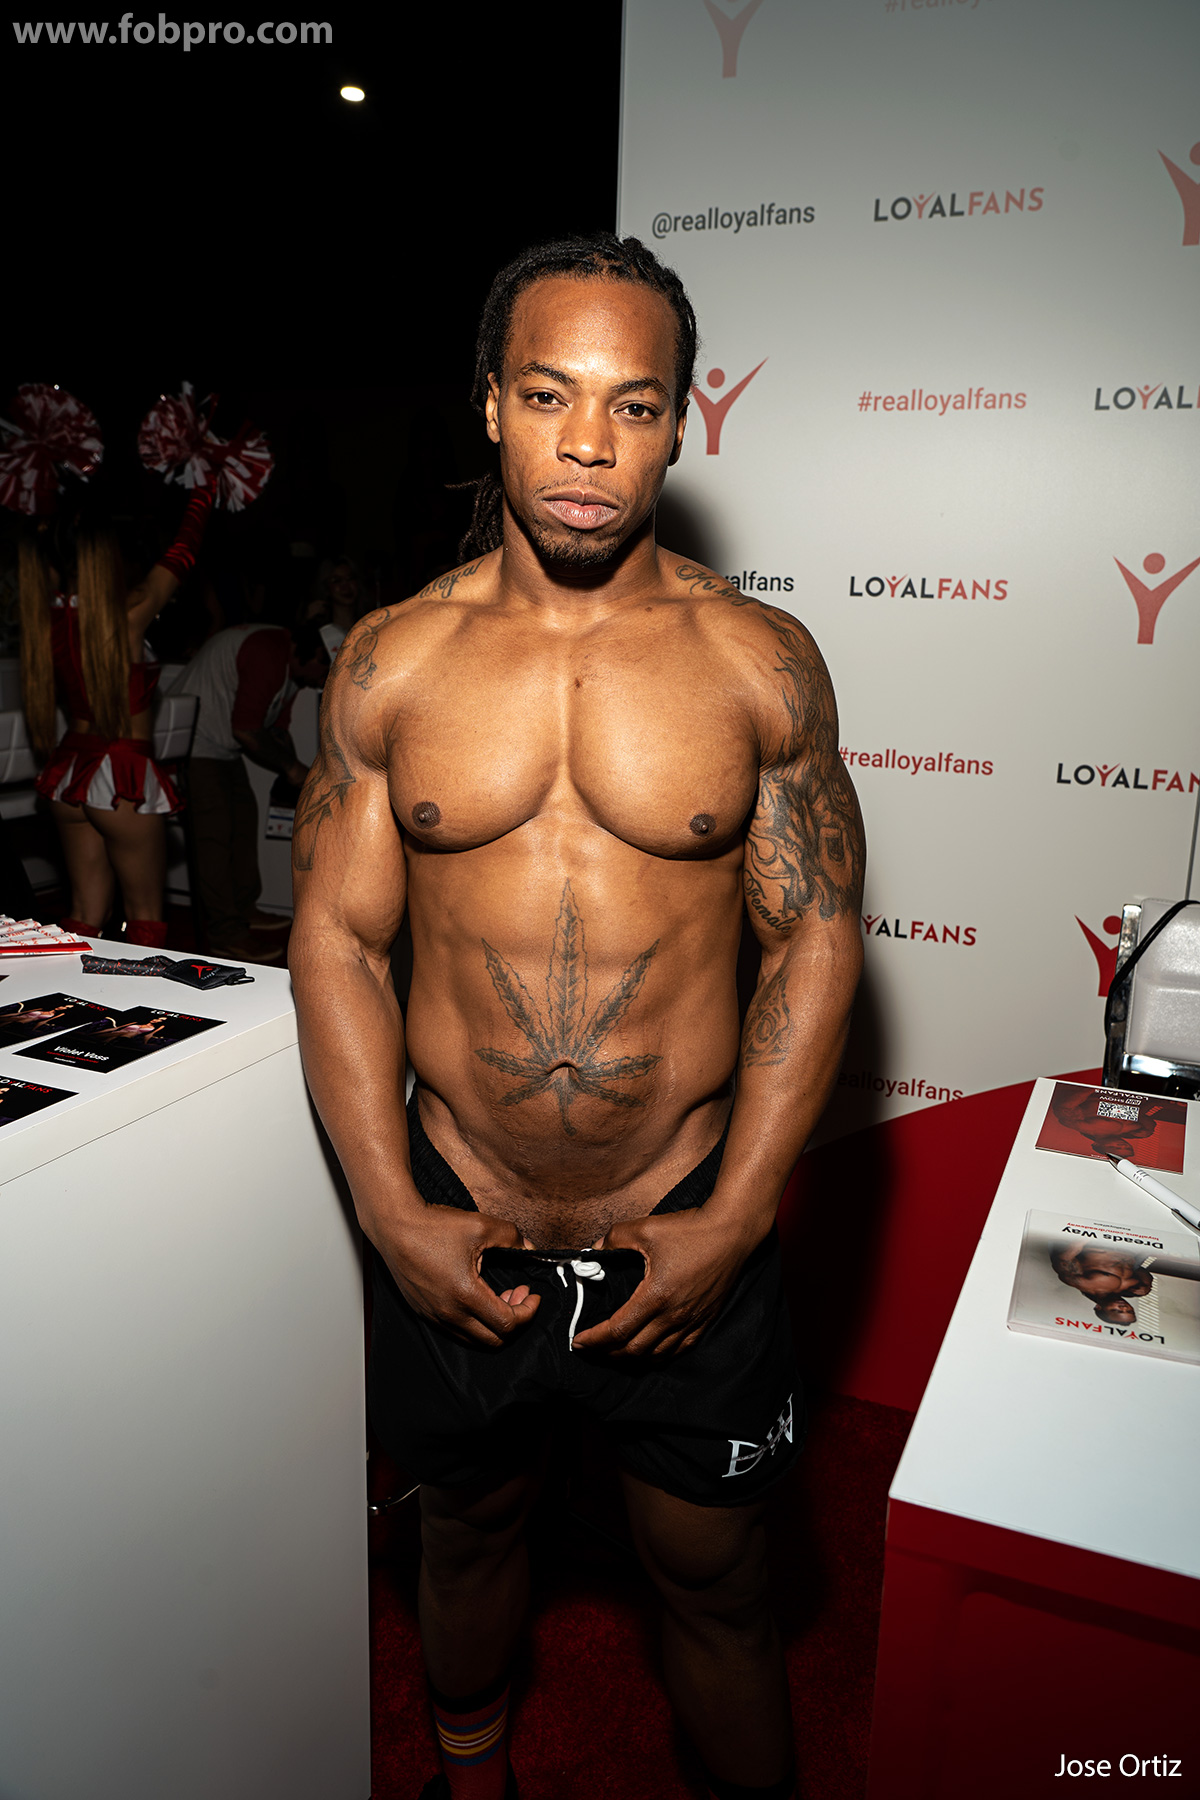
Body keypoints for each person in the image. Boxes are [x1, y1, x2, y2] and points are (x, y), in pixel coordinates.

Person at [288, 233, 866, 1800]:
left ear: (681, 424)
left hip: (680, 1215)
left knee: (718, 1579)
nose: (590, 443)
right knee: (466, 1533)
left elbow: (816, 935)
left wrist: (738, 1214)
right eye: (549, 396)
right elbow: (336, 940)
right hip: (457, 1208)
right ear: (490, 404)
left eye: (635, 403)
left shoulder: (760, 662)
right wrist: (393, 1212)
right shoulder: (392, 660)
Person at [19, 489, 214, 947]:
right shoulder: (129, 612)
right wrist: (204, 491)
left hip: (69, 774)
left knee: (83, 916)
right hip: (120, 777)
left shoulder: (45, 617)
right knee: (146, 920)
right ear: (103, 553)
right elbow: (183, 551)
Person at [170, 617, 328, 962]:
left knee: (243, 821)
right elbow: (245, 729)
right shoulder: (268, 652)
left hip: (221, 746)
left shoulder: (291, 671)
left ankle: (244, 908)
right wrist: (293, 769)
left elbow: (275, 730)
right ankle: (225, 932)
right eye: (323, 672)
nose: (321, 682)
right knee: (213, 836)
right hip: (195, 741)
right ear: (314, 653)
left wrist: (295, 769)